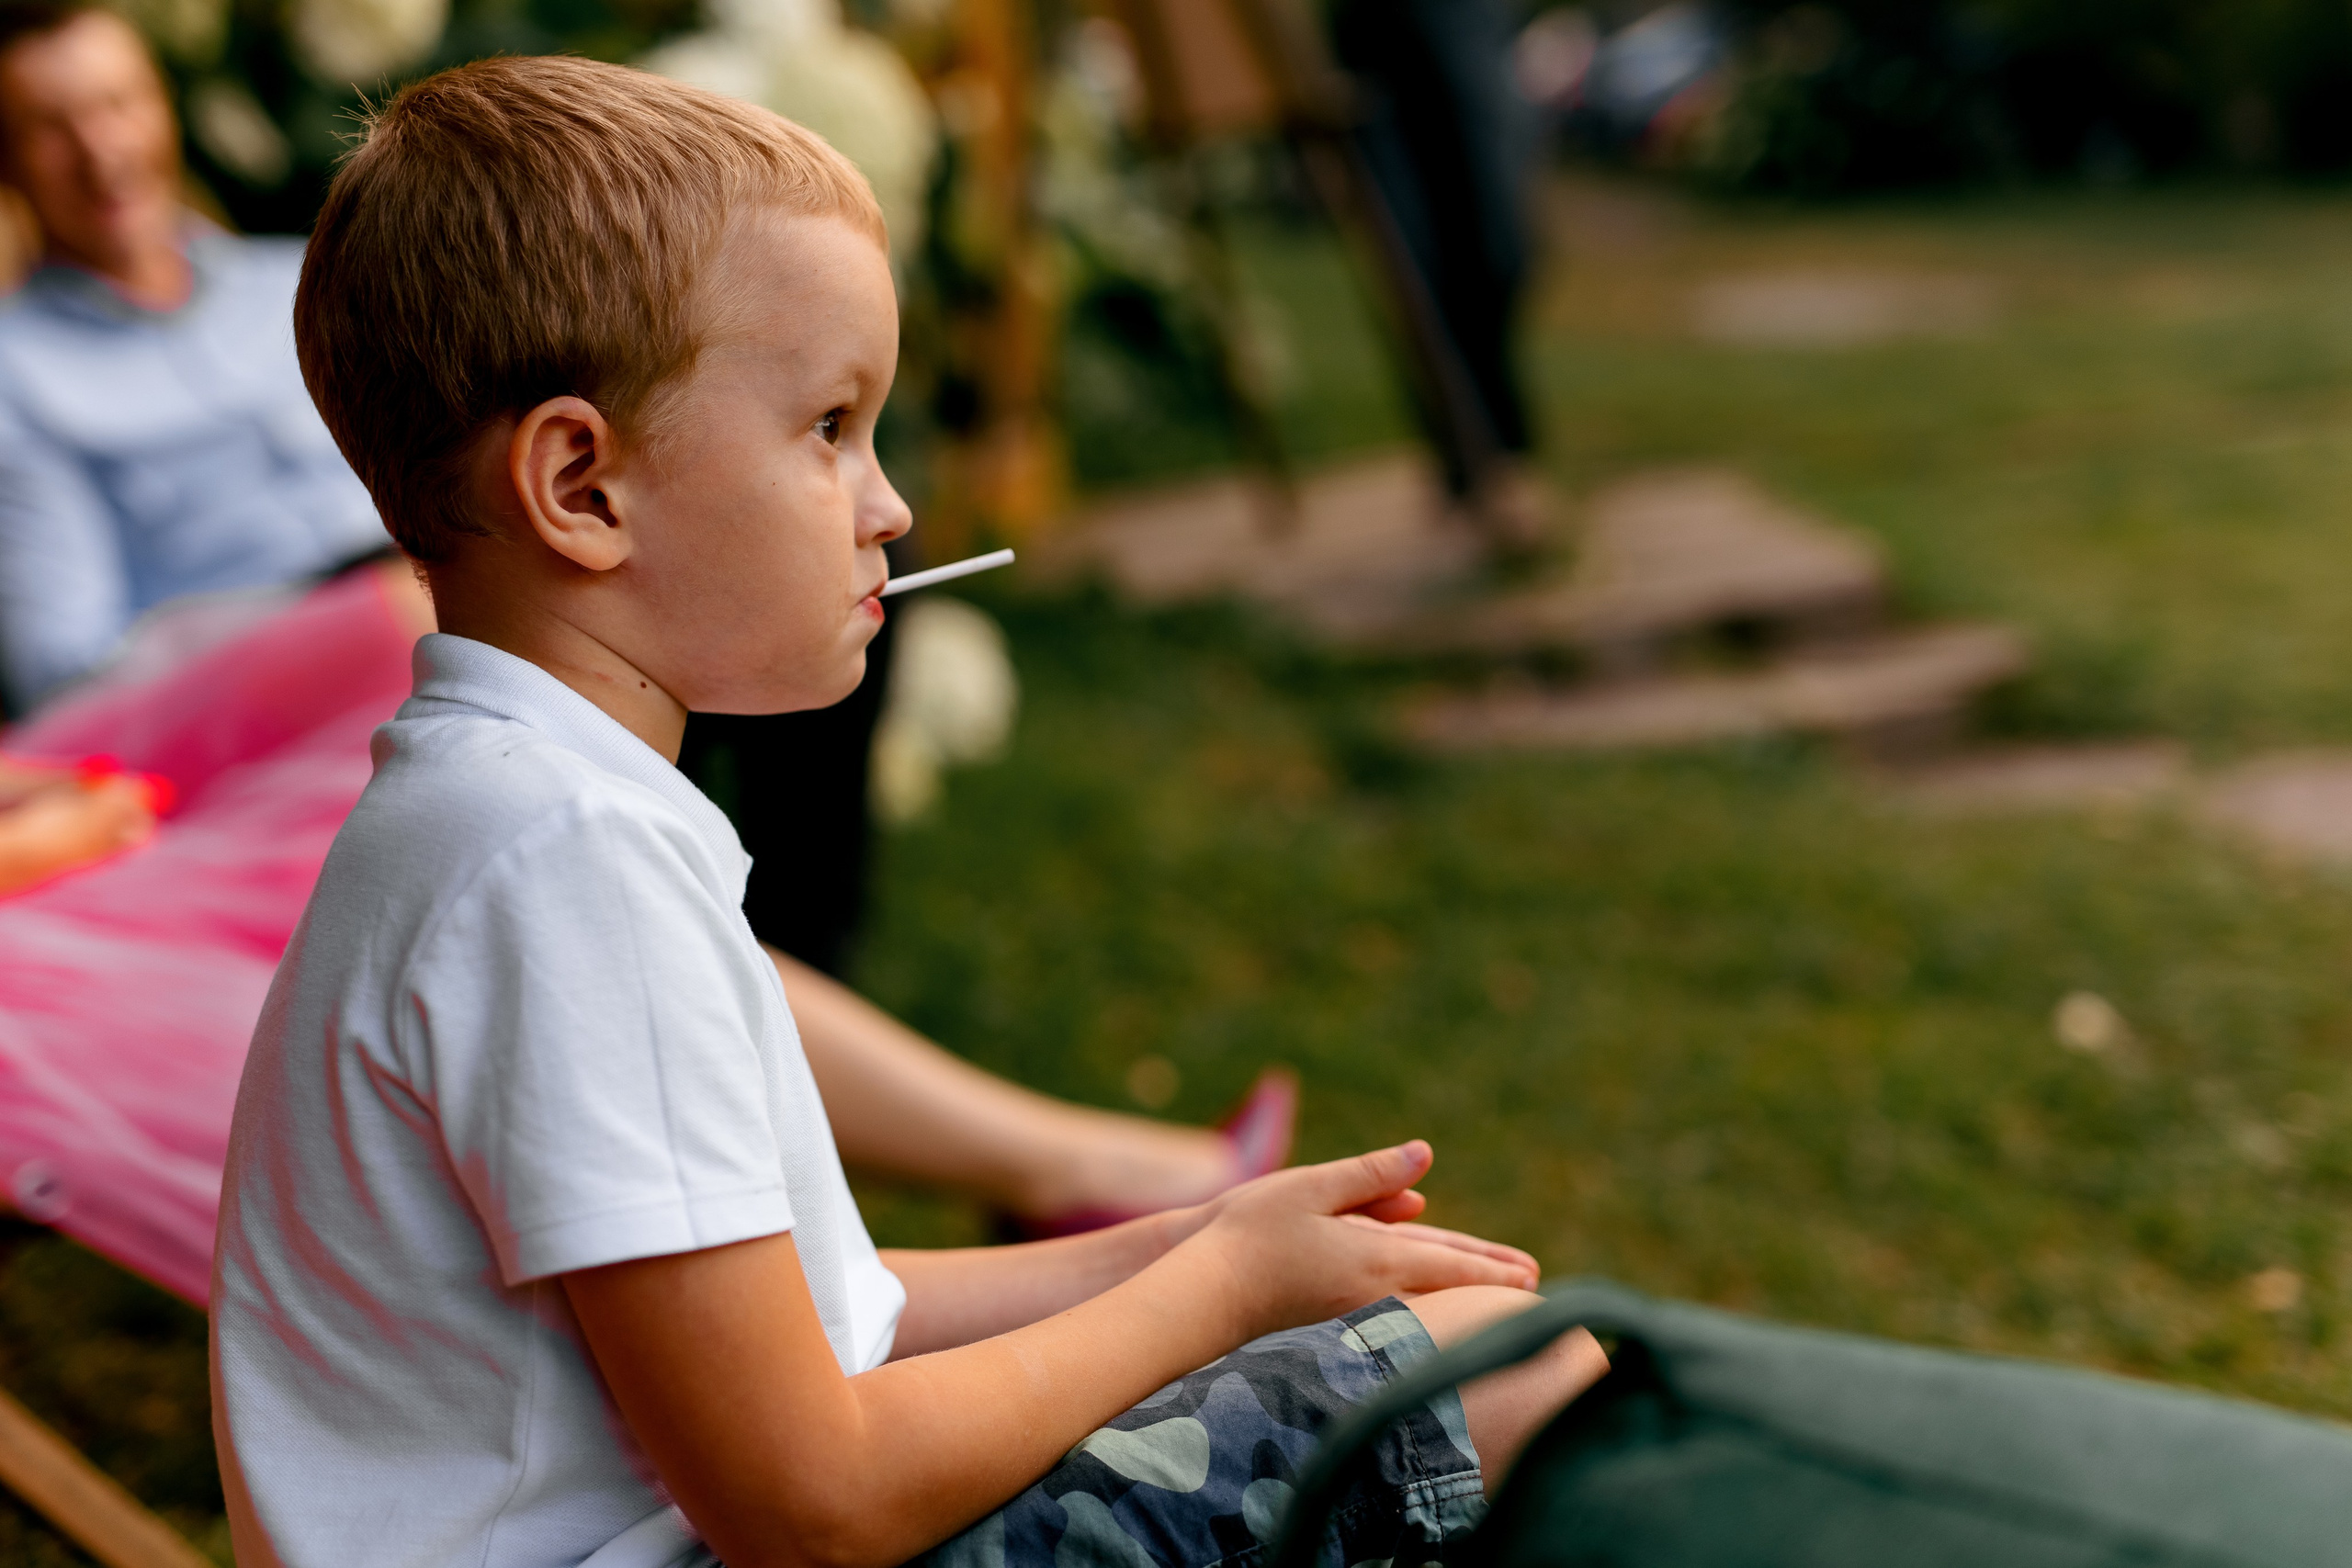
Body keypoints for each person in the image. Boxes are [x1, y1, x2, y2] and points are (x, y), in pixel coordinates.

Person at [209, 57, 1606, 1568]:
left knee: (1472, 1337)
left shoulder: (505, 809)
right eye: (828, 428)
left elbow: (828, 1323)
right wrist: (1215, 1301)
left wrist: (1202, 1246)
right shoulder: (564, 864)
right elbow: (811, 1498)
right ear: (582, 487)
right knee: (1523, 1376)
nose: (888, 506)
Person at [0, 0, 1274, 1234]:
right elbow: (71, 662)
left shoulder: (289, 279)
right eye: (53, 125)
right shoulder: (24, 375)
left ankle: (809, 975)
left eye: (115, 101)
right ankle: (1040, 1157)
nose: (101, 146)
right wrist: (319, 614)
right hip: (296, 672)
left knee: (794, 591)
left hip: (477, 574)